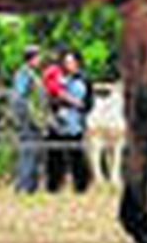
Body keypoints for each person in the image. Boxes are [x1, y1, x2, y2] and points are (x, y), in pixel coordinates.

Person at [46, 49, 94, 193]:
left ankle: (81, 186)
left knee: (77, 156)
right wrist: (61, 101)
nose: (69, 65)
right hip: (58, 122)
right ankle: (54, 186)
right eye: (66, 62)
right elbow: (51, 97)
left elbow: (89, 103)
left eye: (72, 62)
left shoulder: (84, 79)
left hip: (76, 123)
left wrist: (81, 107)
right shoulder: (57, 77)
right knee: (55, 156)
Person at [10, 46, 49, 193]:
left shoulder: (32, 74)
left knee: (34, 151)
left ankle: (31, 185)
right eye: (38, 57)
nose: (40, 60)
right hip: (28, 119)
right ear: (32, 58)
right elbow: (19, 97)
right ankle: (24, 186)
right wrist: (25, 118)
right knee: (28, 150)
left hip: (35, 119)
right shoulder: (24, 74)